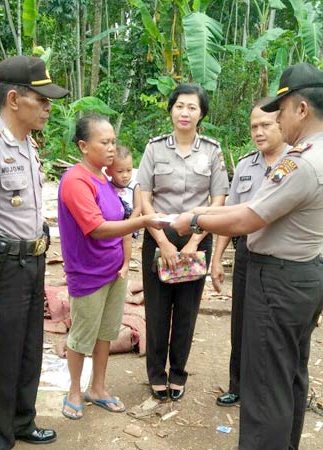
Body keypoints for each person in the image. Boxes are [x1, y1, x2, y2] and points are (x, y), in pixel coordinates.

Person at [170, 63, 323, 450]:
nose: (276, 119)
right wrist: (205, 217)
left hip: (279, 280)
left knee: (265, 384)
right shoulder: (321, 154)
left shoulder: (303, 162)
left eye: (280, 111)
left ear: (301, 109)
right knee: (288, 376)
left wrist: (195, 219)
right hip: (301, 275)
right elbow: (248, 207)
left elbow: (248, 217)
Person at [0, 55, 67, 448]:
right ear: (15, 99)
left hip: (31, 262)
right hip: (2, 267)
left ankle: (21, 421)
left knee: (27, 352)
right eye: (42, 99)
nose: (48, 107)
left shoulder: (27, 146)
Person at [57, 114, 163, 419]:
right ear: (83, 146)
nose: (112, 148)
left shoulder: (105, 178)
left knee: (106, 333)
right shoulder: (76, 181)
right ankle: (75, 390)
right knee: (81, 336)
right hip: (88, 273)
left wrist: (124, 262)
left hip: (113, 270)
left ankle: (98, 387)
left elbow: (117, 219)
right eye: (104, 142)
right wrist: (141, 221)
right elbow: (97, 228)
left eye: (113, 141)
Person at [137, 83, 229, 401]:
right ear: (171, 110)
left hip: (197, 238)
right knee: (158, 310)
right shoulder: (154, 148)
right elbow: (145, 199)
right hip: (158, 236)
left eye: (192, 107)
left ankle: (178, 373)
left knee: (186, 312)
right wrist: (162, 241)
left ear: (201, 113)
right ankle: (156, 374)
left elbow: (219, 200)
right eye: (179, 106)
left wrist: (195, 240)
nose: (185, 112)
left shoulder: (213, 151)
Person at [209, 99, 288, 408]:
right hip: (246, 254)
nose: (258, 132)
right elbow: (230, 217)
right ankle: (238, 385)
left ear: (281, 124)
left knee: (274, 327)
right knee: (241, 324)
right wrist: (217, 259)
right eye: (254, 126)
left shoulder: (295, 163)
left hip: (280, 258)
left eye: (265, 125)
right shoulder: (244, 165)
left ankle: (268, 390)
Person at [108, 144, 143, 278]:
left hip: (129, 219)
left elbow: (138, 207)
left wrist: (130, 222)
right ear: (109, 171)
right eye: (120, 171)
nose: (125, 175)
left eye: (129, 170)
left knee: (126, 236)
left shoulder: (134, 186)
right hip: (113, 221)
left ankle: (126, 264)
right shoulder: (108, 185)